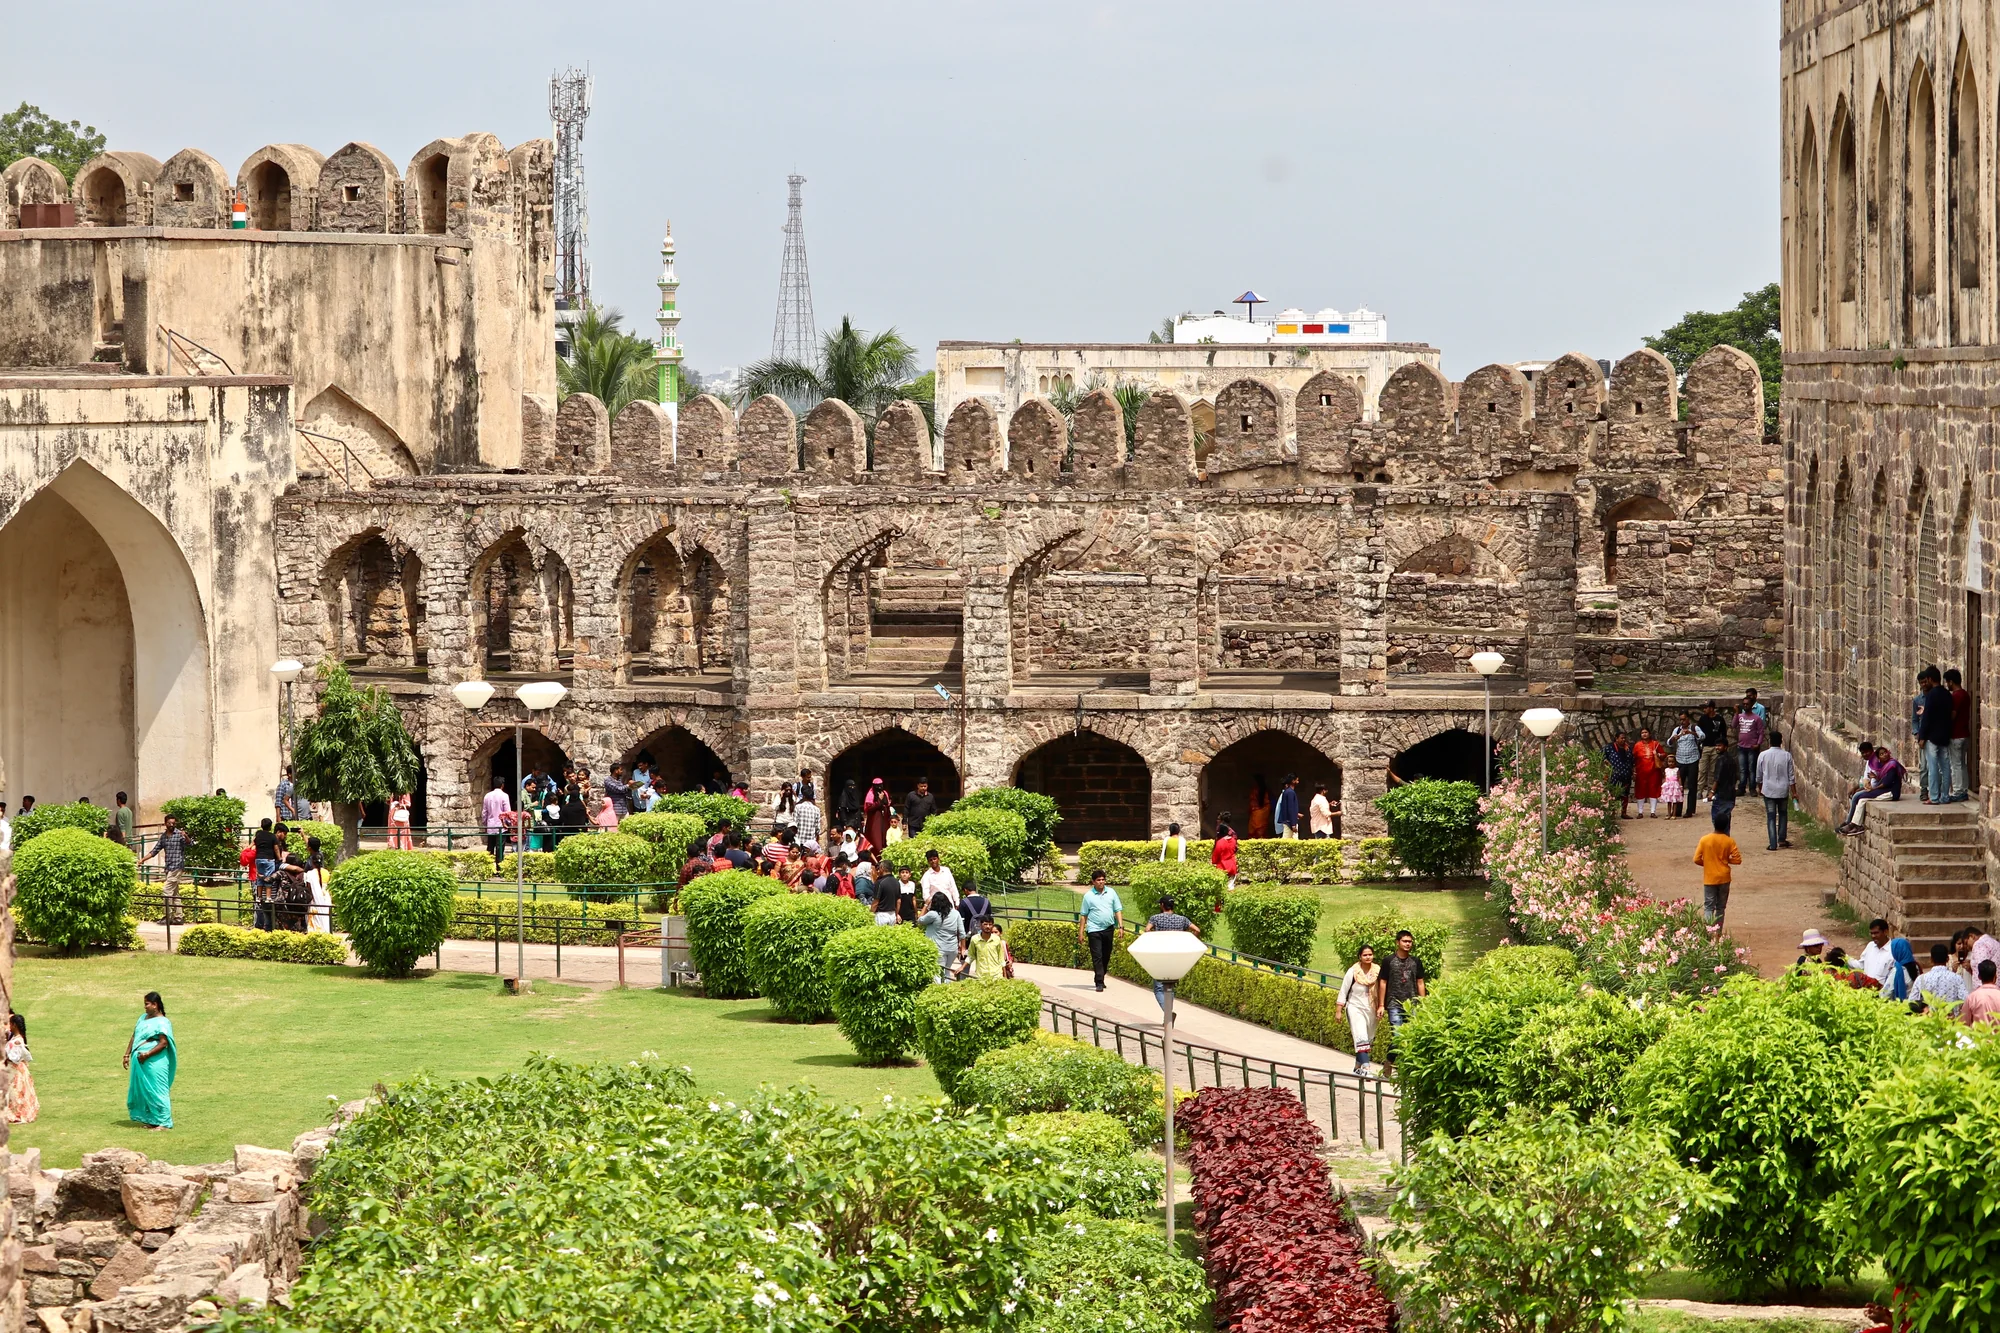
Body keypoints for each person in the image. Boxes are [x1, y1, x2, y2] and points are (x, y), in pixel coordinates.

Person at [125, 992, 177, 1131]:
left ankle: (164, 1123)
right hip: (140, 1061)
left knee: (157, 1090)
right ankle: (152, 1120)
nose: (145, 1007)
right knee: (144, 1090)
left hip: (155, 1062)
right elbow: (135, 1035)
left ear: (155, 1005)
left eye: (147, 1004)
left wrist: (147, 1054)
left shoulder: (163, 1022)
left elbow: (163, 1043)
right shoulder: (143, 1018)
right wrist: (127, 1054)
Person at [1378, 931, 1427, 1075]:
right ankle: (1389, 1061)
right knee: (1398, 1035)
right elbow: (1383, 982)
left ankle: (1406, 1068)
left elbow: (1420, 982)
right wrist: (1381, 1004)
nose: (1408, 944)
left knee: (1411, 1036)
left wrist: (1423, 1003)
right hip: (1394, 1003)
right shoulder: (1388, 961)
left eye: (1410, 941)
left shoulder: (1416, 961)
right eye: (1405, 941)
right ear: (1397, 942)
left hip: (1412, 1003)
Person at [1142, 893, 1200, 1010]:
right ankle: (1168, 1016)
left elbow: (1147, 929)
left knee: (1159, 988)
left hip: (1160, 955)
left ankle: (1167, 1012)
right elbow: (1197, 930)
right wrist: (1188, 941)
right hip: (1176, 956)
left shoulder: (1156, 918)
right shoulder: (1182, 919)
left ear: (1162, 905)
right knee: (1170, 987)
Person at [1837, 745, 1904, 833]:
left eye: (1885, 753)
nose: (1884, 755)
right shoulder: (1885, 766)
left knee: (1861, 798)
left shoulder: (1892, 765)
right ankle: (1855, 824)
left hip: (1891, 793)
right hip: (1885, 791)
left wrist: (1873, 789)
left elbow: (1886, 783)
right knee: (1861, 799)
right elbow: (1882, 780)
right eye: (1881, 754)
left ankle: (1854, 824)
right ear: (1879, 757)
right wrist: (1875, 778)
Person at [1337, 943, 1381, 1077]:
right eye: (1365, 955)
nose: (1368, 957)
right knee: (1360, 1036)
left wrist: (1381, 1006)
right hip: (1355, 1008)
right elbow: (1343, 991)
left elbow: (1383, 989)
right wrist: (1338, 1010)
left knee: (1367, 1039)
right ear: (1360, 957)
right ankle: (1367, 1068)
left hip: (1372, 1009)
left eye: (1370, 955)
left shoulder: (1378, 971)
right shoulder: (1353, 972)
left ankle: (1357, 1066)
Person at [1692, 811, 1741, 926]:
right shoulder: (1729, 841)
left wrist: (1708, 863)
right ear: (1726, 825)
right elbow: (1737, 859)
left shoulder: (1705, 840)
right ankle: (1718, 934)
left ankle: (1708, 932)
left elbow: (1696, 859)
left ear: (1714, 823)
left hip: (1710, 877)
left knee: (1709, 906)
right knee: (1720, 907)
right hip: (1724, 877)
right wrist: (1725, 860)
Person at [1078, 870, 1123, 992]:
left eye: (1103, 879)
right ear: (1093, 882)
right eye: (1098, 880)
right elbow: (1083, 915)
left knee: (1106, 955)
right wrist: (1081, 932)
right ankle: (1099, 982)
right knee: (1097, 956)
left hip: (1108, 929)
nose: (1101, 882)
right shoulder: (1088, 896)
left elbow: (1118, 910)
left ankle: (1100, 976)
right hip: (1094, 929)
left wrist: (1121, 927)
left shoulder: (1111, 893)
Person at [141, 815, 192, 926]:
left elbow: (190, 844)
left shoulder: (179, 835)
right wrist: (142, 860)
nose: (172, 825)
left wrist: (186, 836)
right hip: (169, 867)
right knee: (174, 893)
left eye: (173, 823)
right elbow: (154, 851)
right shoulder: (164, 837)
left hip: (177, 867)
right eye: (169, 823)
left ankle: (168, 916)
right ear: (165, 823)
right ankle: (179, 918)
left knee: (166, 891)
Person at [1917, 665, 1955, 806]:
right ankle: (1945, 795)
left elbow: (1927, 717)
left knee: (1932, 767)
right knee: (1945, 766)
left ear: (1930, 679)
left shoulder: (1932, 695)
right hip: (1945, 734)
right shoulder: (1947, 694)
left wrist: (1922, 736)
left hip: (1932, 736)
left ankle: (1933, 796)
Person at [1756, 730, 1795, 851]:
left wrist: (1760, 788)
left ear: (1770, 742)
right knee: (1783, 814)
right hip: (1782, 790)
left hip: (1768, 790)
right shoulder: (1787, 755)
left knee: (1771, 816)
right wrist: (1794, 792)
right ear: (1781, 742)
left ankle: (1772, 843)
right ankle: (1782, 839)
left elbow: (1759, 775)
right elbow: (1791, 777)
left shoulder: (1763, 755)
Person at [920, 891, 969, 981]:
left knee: (937, 973)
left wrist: (926, 905)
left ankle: (938, 992)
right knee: (947, 972)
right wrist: (963, 947)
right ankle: (947, 990)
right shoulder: (955, 913)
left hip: (938, 948)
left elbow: (920, 920)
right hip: (952, 948)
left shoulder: (933, 914)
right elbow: (962, 933)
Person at [1913, 943, 1971, 1011]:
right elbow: (1966, 1000)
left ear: (1931, 960)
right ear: (1947, 959)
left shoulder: (1921, 979)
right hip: (1951, 1019)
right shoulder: (1957, 978)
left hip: (1928, 1019)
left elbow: (1912, 1003)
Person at [1668, 712, 1704, 819]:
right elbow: (1669, 742)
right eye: (1680, 720)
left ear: (1688, 719)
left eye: (1684, 719)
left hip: (1693, 760)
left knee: (1692, 786)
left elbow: (1702, 736)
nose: (1682, 722)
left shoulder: (1694, 727)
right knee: (1679, 786)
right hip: (1680, 760)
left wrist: (1691, 733)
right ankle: (1677, 810)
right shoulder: (1677, 730)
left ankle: (1690, 810)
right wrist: (1674, 738)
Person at [1946, 667, 1973, 802]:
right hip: (1964, 734)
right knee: (1962, 763)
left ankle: (1957, 791)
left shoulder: (1956, 696)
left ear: (1951, 682)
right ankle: (1964, 789)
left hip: (1956, 735)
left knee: (1955, 764)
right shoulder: (1965, 694)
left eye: (1947, 682)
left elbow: (1953, 715)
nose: (1947, 685)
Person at [3, 1014, 35, 1125]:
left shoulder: (18, 1042)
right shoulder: (16, 1038)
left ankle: (17, 1113)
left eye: (10, 1024)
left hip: (15, 1071)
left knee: (15, 1093)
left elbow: (14, 1058)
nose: (9, 1026)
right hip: (14, 1070)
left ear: (14, 1025)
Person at [1696, 703, 1730, 801]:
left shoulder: (1719, 719)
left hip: (1716, 748)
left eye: (1706, 708)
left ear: (1711, 708)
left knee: (1712, 770)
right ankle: (1699, 790)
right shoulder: (1703, 719)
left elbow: (1723, 734)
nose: (1704, 710)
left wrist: (1721, 746)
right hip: (1705, 747)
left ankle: (1710, 790)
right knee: (1702, 769)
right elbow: (1699, 732)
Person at [250, 819, 280, 930]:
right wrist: (279, 857)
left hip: (258, 859)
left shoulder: (258, 835)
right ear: (270, 826)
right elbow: (276, 848)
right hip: (269, 859)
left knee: (259, 878)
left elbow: (253, 844)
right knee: (268, 878)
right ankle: (267, 897)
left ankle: (259, 897)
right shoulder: (272, 836)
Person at [1857, 918, 1898, 994]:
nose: (1873, 936)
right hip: (1865, 992)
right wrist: (1843, 957)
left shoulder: (1893, 950)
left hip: (1883, 994)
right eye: (1871, 933)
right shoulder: (1870, 946)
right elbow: (1860, 965)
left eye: (1876, 933)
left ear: (1885, 932)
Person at [1631, 728, 1666, 817]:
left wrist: (1657, 754)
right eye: (1642, 733)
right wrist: (1634, 771)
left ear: (1649, 734)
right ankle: (1640, 812)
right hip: (1641, 772)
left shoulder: (1655, 744)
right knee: (1640, 791)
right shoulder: (1637, 745)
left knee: (1653, 790)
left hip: (1654, 771)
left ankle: (1653, 812)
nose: (1644, 734)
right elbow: (1633, 759)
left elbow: (1663, 755)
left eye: (1646, 732)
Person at [1734, 700, 1767, 790]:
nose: (1745, 706)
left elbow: (1761, 732)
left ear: (1751, 705)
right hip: (1741, 746)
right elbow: (1733, 724)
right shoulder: (1740, 716)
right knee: (1742, 769)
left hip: (1752, 747)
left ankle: (1752, 788)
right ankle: (1742, 787)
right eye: (1744, 704)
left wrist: (1758, 743)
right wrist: (1736, 712)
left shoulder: (1756, 718)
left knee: (1752, 769)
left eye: (1747, 704)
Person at [1604, 733, 1635, 819]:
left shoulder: (1628, 748)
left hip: (1626, 775)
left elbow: (1632, 761)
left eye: (1624, 738)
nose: (1623, 740)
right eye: (1621, 738)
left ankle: (1623, 813)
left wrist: (1633, 772)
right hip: (1614, 775)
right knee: (1613, 794)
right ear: (1616, 738)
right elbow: (1601, 756)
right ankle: (1612, 813)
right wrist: (1607, 764)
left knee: (1625, 794)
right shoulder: (1609, 747)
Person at [482, 778, 511, 871]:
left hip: (490, 825)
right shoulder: (504, 796)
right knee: (500, 848)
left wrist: (485, 823)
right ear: (502, 785)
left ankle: (488, 867)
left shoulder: (487, 796)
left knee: (490, 847)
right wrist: (508, 823)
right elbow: (507, 812)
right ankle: (499, 868)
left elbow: (484, 812)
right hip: (501, 826)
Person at [1959, 961, 2000, 1026]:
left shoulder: (1972, 998)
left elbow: (1963, 1024)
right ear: (1996, 976)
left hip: (1979, 1036)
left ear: (1979, 977)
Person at [305, 840, 333, 933]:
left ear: (312, 862)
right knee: (325, 919)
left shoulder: (310, 873)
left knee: (315, 922)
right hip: (326, 899)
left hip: (314, 900)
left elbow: (308, 888)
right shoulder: (326, 872)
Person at [863, 779, 893, 853]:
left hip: (885, 820)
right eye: (877, 786)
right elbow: (869, 808)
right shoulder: (870, 794)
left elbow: (887, 804)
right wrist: (879, 800)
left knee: (885, 839)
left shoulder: (884, 793)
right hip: (874, 820)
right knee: (876, 840)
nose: (879, 787)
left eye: (881, 785)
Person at [1211, 816, 1239, 891]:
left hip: (1222, 867)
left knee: (1222, 890)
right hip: (1232, 866)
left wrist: (1213, 863)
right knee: (1230, 888)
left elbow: (1215, 857)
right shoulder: (1233, 840)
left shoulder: (1220, 842)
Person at [1274, 775, 1301, 840]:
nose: (1298, 782)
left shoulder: (1287, 792)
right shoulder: (1290, 792)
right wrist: (1293, 824)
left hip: (1288, 821)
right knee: (1288, 840)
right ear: (1293, 781)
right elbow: (1290, 808)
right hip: (1289, 822)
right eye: (1296, 780)